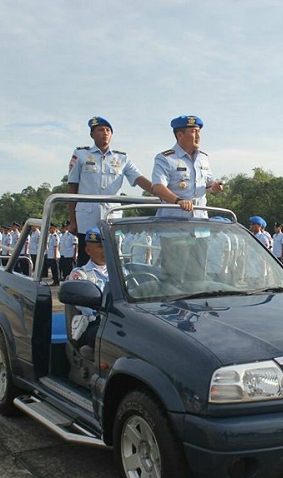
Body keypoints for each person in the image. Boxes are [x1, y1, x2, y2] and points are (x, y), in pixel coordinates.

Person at [67, 116, 153, 266]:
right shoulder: (80, 154)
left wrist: (164, 193)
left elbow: (139, 179)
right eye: (100, 130)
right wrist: (72, 221)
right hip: (87, 218)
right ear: (92, 134)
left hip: (112, 218)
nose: (105, 133)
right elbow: (72, 187)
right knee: (86, 258)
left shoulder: (122, 158)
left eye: (108, 130)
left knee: (113, 260)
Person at [151, 115, 223, 218]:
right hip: (173, 222)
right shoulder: (165, 158)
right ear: (180, 135)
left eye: (199, 132)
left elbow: (208, 185)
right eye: (194, 132)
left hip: (200, 221)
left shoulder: (203, 158)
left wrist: (215, 187)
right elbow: (158, 188)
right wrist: (178, 201)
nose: (198, 136)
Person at [69, 229, 109, 349]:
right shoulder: (81, 274)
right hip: (94, 324)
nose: (105, 250)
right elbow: (83, 306)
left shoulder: (121, 271)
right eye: (100, 247)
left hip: (120, 322)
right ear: (88, 251)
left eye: (108, 246)